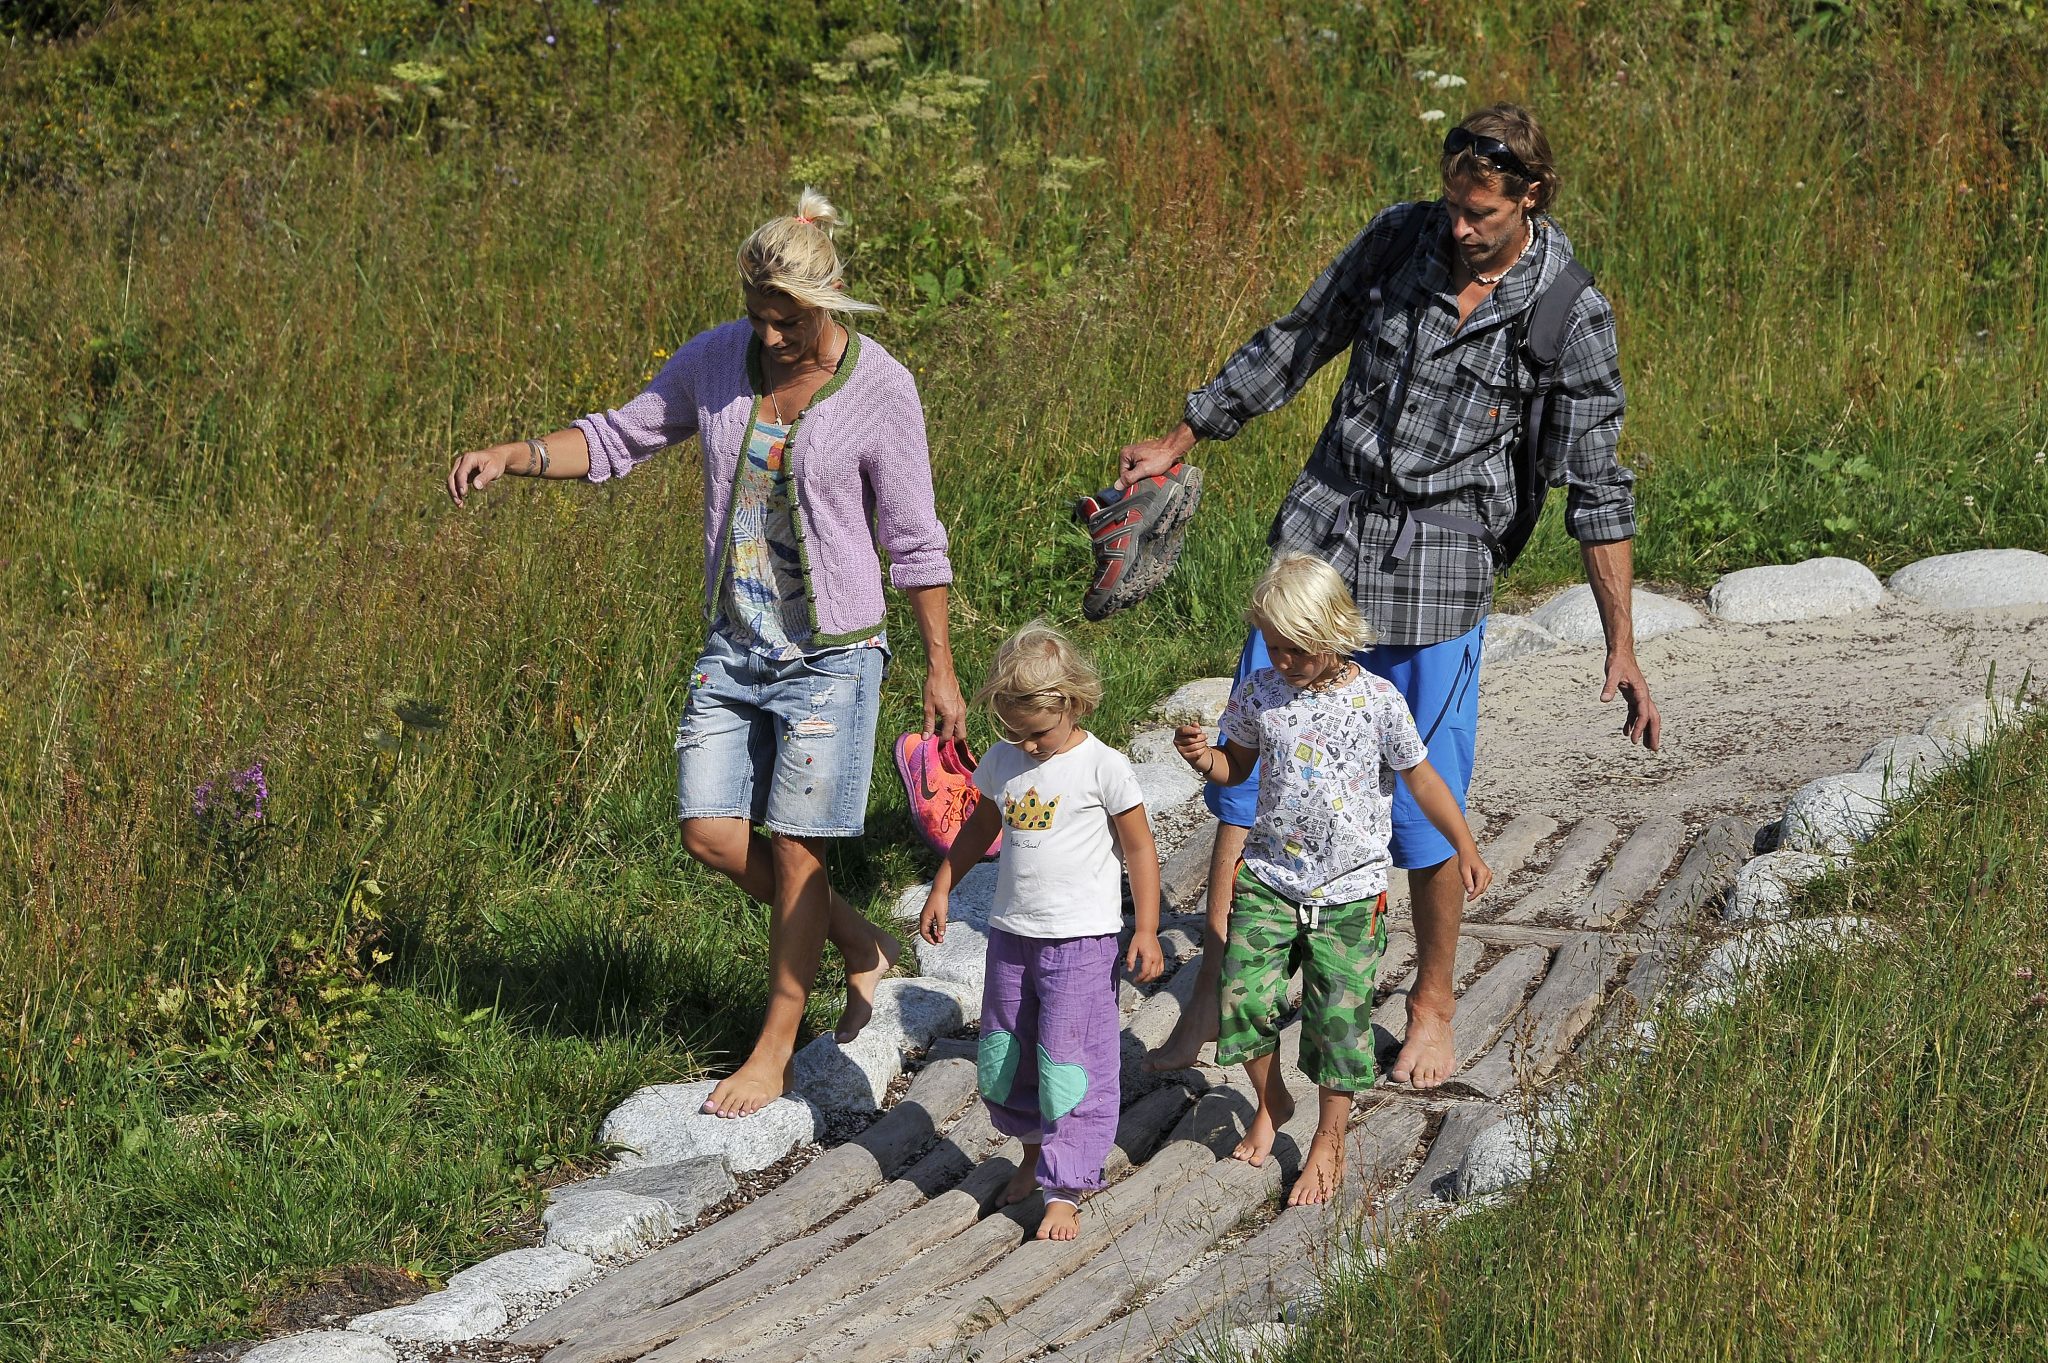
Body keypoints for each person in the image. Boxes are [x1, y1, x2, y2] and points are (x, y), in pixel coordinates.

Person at [1130, 104, 1661, 1089]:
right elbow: (1295, 340)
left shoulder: (1566, 314)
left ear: (1530, 199)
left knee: (1423, 806)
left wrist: (1617, 642)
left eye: (1481, 215)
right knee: (1244, 776)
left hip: (1441, 567)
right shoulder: (1397, 237)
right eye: (1454, 205)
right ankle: (1214, 992)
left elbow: (1598, 483)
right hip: (1322, 538)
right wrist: (1185, 432)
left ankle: (1431, 1001)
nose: (1458, 228)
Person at [447, 189, 965, 1119]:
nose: (767, 339)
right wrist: (516, 454)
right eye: (757, 316)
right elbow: (619, 434)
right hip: (736, 645)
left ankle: (776, 1041)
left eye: (787, 320)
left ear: (831, 302)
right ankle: (858, 943)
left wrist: (939, 666)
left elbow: (916, 540)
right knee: (711, 833)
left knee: (799, 850)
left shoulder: (882, 389)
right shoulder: (720, 360)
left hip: (832, 656)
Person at [1174, 554, 1490, 1205]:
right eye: (1274, 644)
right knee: (1242, 1000)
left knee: (1337, 1023)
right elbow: (1236, 769)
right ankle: (1273, 1099)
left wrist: (1462, 842)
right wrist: (1206, 758)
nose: (1284, 658)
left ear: (1335, 630)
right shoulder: (1260, 691)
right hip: (1268, 879)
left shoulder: (1377, 701)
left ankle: (1330, 1137)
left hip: (1348, 892)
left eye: (1298, 647)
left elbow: (1423, 778)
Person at [919, 623, 1164, 1242]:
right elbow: (978, 827)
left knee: (1071, 1059)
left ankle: (1068, 1183)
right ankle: (1033, 1153)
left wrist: (1150, 929)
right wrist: (943, 884)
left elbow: (1138, 849)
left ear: (1073, 703)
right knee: (1010, 1050)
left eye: (1037, 732)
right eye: (1013, 731)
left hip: (1081, 942)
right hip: (1011, 937)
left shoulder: (1101, 766)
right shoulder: (1003, 761)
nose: (1026, 746)